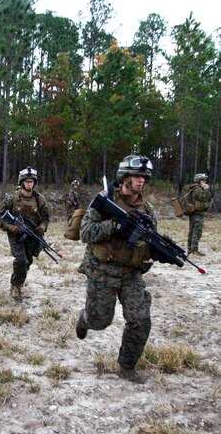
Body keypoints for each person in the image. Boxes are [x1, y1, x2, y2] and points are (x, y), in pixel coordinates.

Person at [76, 155, 156, 384]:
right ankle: (85, 318)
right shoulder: (104, 200)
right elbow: (85, 232)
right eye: (136, 176)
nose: (141, 181)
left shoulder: (147, 210)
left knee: (140, 318)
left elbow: (151, 240)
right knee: (101, 321)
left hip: (131, 274)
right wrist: (113, 225)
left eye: (144, 177)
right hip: (102, 270)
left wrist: (161, 252)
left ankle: (126, 367)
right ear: (124, 177)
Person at [0, 166, 50, 300]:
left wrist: (42, 227)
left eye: (31, 181)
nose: (29, 184)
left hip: (32, 236)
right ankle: (16, 286)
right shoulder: (12, 198)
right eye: (27, 181)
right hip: (16, 235)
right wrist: (10, 227)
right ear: (21, 182)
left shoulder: (40, 199)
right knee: (20, 260)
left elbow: (46, 218)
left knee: (27, 262)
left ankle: (18, 281)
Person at [187, 173, 212, 256]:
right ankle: (194, 250)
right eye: (203, 180)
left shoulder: (194, 188)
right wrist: (206, 189)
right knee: (197, 231)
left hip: (195, 213)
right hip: (197, 214)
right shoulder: (197, 189)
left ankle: (190, 250)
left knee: (192, 231)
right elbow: (204, 197)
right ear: (198, 181)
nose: (204, 181)